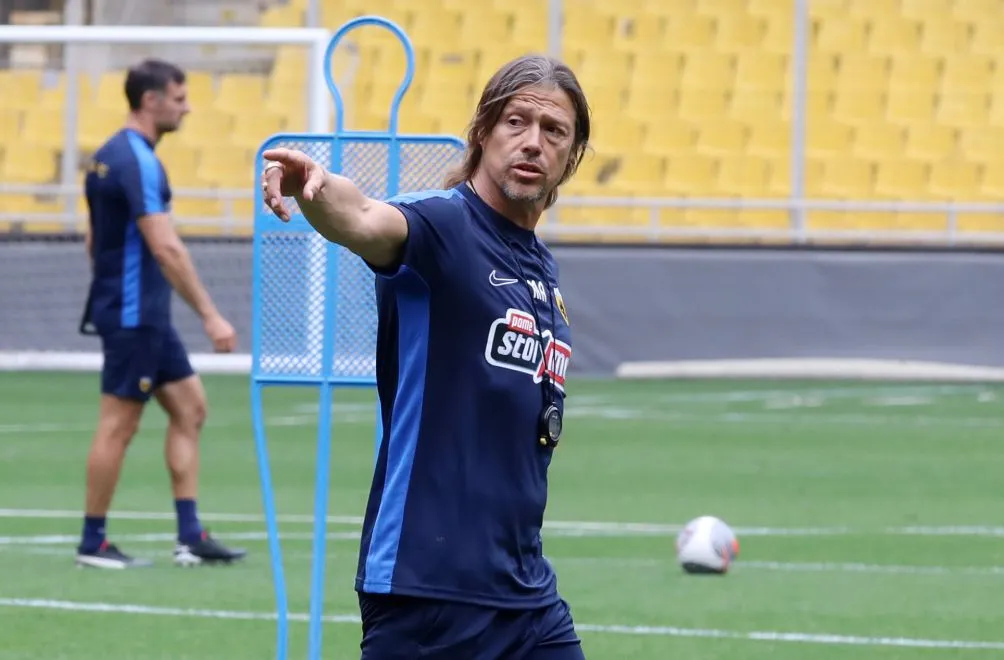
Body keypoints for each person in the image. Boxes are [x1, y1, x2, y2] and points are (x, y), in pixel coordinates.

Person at [261, 54, 590, 659]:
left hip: (523, 591)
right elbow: (365, 218)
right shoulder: (445, 226)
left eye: (554, 132)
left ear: (572, 157)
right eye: (515, 122)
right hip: (429, 589)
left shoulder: (540, 267)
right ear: (483, 133)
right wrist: (316, 188)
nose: (532, 142)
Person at [76, 58, 247, 569]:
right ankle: (93, 542)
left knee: (190, 407)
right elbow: (166, 247)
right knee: (118, 425)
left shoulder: (108, 155)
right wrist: (211, 316)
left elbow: (93, 239)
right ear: (150, 101)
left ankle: (190, 536)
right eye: (179, 98)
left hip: (140, 312)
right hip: (135, 316)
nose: (187, 107)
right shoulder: (138, 161)